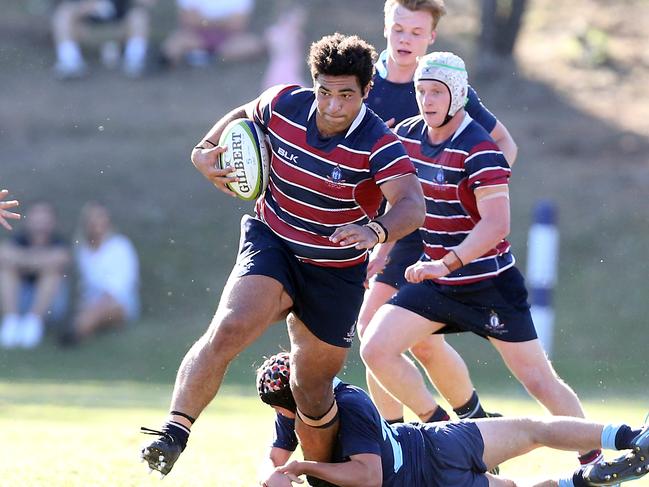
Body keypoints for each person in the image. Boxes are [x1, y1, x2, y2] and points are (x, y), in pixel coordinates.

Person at [139, 33, 425, 477]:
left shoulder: (379, 143)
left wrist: (376, 229)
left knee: (310, 387)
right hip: (273, 240)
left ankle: (321, 476)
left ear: (367, 92)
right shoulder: (283, 104)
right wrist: (203, 150)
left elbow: (412, 204)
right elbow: (241, 116)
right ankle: (173, 434)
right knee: (231, 326)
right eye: (325, 92)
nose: (332, 106)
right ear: (314, 85)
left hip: (335, 271)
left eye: (346, 95)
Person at [360, 50, 606, 470]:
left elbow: (496, 225)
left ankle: (594, 456)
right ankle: (446, 434)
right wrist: (381, 247)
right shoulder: (407, 137)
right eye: (421, 91)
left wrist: (445, 263)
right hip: (438, 282)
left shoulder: (480, 149)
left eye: (436, 92)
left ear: (457, 95)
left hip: (489, 284)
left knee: (538, 380)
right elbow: (392, 194)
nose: (426, 100)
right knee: (375, 348)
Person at [358, 0, 519, 425]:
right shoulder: (361, 84)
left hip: (423, 234)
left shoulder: (443, 85)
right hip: (380, 229)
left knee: (375, 333)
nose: (405, 39)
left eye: (416, 32)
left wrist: (466, 207)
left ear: (431, 37)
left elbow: (505, 147)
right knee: (414, 342)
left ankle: (403, 439)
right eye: (398, 29)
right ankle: (472, 423)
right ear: (385, 26)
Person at [256, 352, 649, 487]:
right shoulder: (308, 395)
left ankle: (610, 459)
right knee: (534, 432)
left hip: (427, 461)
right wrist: (270, 473)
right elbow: (275, 457)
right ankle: (622, 446)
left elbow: (368, 477)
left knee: (527, 450)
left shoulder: (346, 406)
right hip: (437, 444)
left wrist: (304, 466)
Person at [60, 202, 139, 346]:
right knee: (91, 310)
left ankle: (76, 334)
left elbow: (122, 285)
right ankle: (80, 329)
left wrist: (100, 302)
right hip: (90, 302)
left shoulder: (120, 246)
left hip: (118, 301)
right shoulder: (82, 250)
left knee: (98, 310)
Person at [0, 201, 69, 348]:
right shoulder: (18, 239)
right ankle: (11, 322)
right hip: (19, 298)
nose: (40, 221)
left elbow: (60, 259)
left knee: (51, 273)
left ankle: (33, 324)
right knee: (6, 270)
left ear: (52, 221)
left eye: (45, 216)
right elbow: (4, 255)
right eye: (36, 216)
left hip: (51, 305)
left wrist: (22, 262)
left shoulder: (59, 242)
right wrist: (40, 262)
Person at [51, 0, 156, 79]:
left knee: (139, 16)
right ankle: (70, 62)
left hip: (118, 31)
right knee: (63, 14)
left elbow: (144, 4)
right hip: (87, 32)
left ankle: (135, 61)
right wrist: (84, 8)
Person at [161, 0, 265, 68]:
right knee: (172, 46)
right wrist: (223, 22)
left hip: (229, 40)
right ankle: (211, 56)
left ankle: (207, 56)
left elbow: (238, 24)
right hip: (196, 38)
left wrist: (204, 21)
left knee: (253, 45)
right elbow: (188, 20)